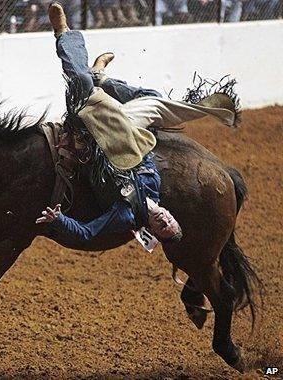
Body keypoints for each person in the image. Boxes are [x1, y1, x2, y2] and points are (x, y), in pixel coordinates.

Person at [36, 3, 239, 244]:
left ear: (152, 231)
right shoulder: (154, 184)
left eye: (163, 228)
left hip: (99, 134)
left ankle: (65, 35)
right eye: (170, 222)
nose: (165, 221)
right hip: (127, 128)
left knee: (81, 81)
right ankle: (101, 77)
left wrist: (59, 220)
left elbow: (88, 233)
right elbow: (146, 152)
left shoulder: (126, 215)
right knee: (151, 99)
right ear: (171, 215)